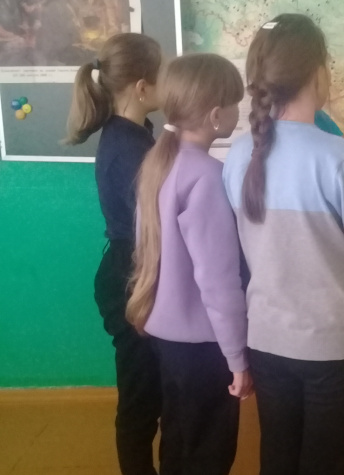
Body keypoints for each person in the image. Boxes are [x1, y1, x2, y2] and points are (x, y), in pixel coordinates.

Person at [223, 14, 344, 475]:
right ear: (318, 73)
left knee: (277, 457)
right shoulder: (341, 157)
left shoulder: (237, 156)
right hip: (336, 348)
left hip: (266, 339)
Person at [126, 53, 252, 475]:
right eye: (235, 103)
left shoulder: (158, 163)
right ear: (216, 115)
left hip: (167, 340)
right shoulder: (207, 176)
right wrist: (237, 358)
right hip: (205, 348)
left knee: (178, 442)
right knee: (207, 454)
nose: (238, 111)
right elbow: (218, 281)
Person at [65, 32, 163, 475]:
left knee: (152, 391)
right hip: (130, 277)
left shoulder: (135, 133)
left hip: (133, 267)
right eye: (163, 76)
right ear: (142, 88)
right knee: (141, 401)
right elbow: (151, 225)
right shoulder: (128, 147)